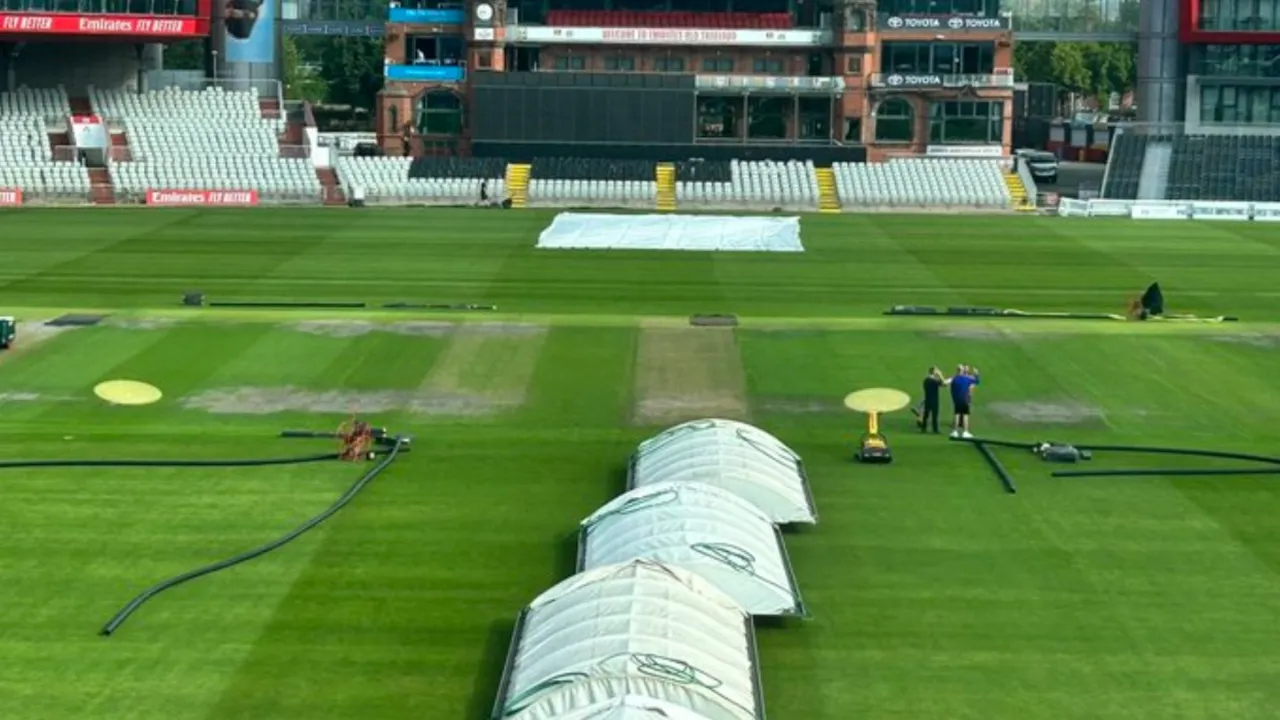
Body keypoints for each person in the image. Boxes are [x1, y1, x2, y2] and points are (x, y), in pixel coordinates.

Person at [949, 364, 980, 439]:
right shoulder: (967, 378)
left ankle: (955, 431)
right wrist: (976, 373)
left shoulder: (954, 378)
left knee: (957, 414)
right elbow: (977, 381)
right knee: (965, 415)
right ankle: (965, 432)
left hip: (957, 400)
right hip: (965, 399)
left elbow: (947, 383)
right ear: (962, 371)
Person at [918, 366, 947, 434]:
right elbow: (944, 384)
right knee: (935, 415)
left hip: (927, 399)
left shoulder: (926, 380)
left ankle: (923, 428)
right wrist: (940, 375)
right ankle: (935, 429)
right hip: (934, 400)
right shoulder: (934, 381)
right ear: (934, 372)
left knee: (926, 415)